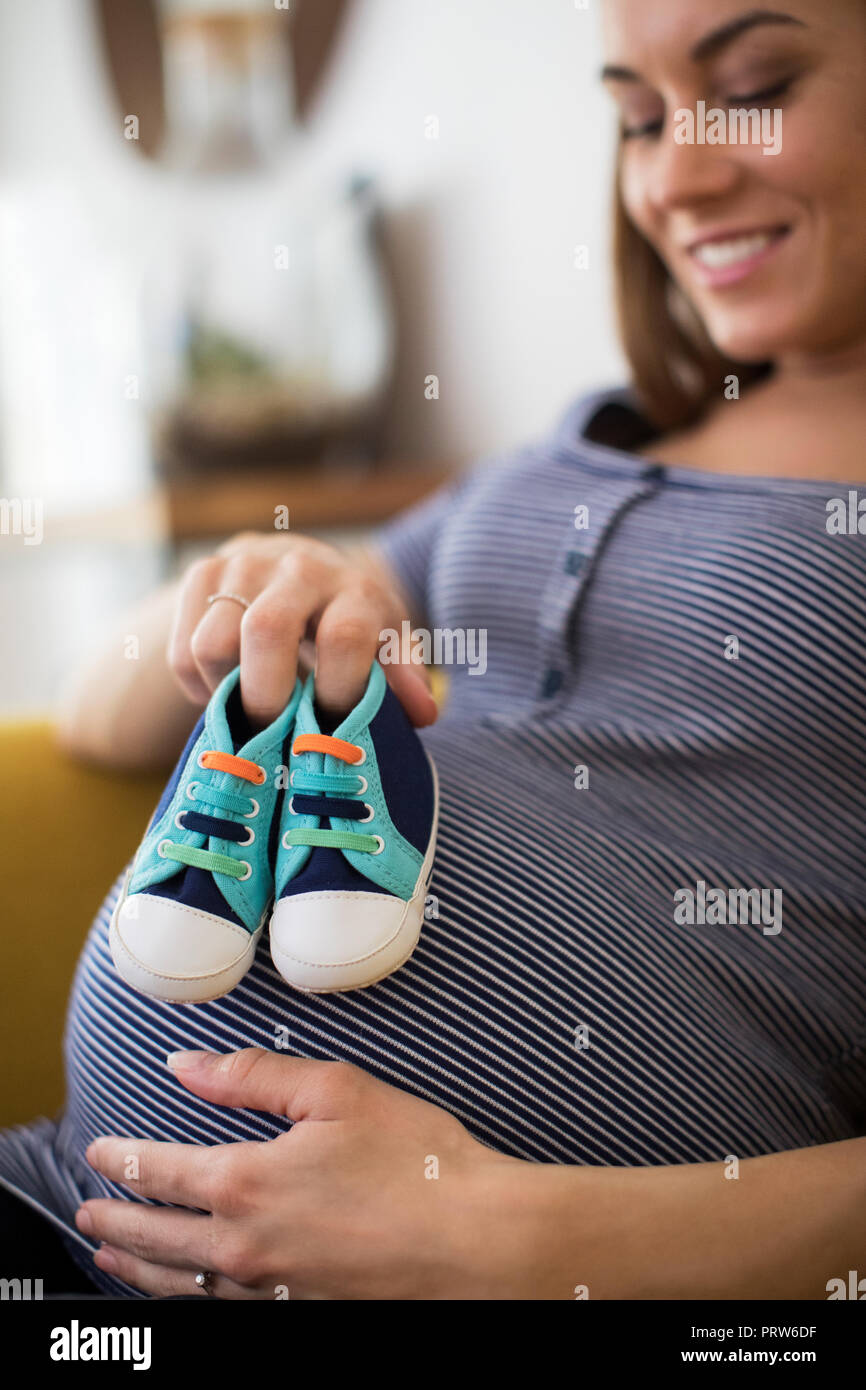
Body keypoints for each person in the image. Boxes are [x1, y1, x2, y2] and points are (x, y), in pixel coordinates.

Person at [1, 0, 864, 1299]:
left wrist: (513, 1239)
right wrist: (239, 589)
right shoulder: (558, 455)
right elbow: (97, 721)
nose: (675, 174)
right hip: (69, 1205)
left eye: (752, 87)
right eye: (635, 116)